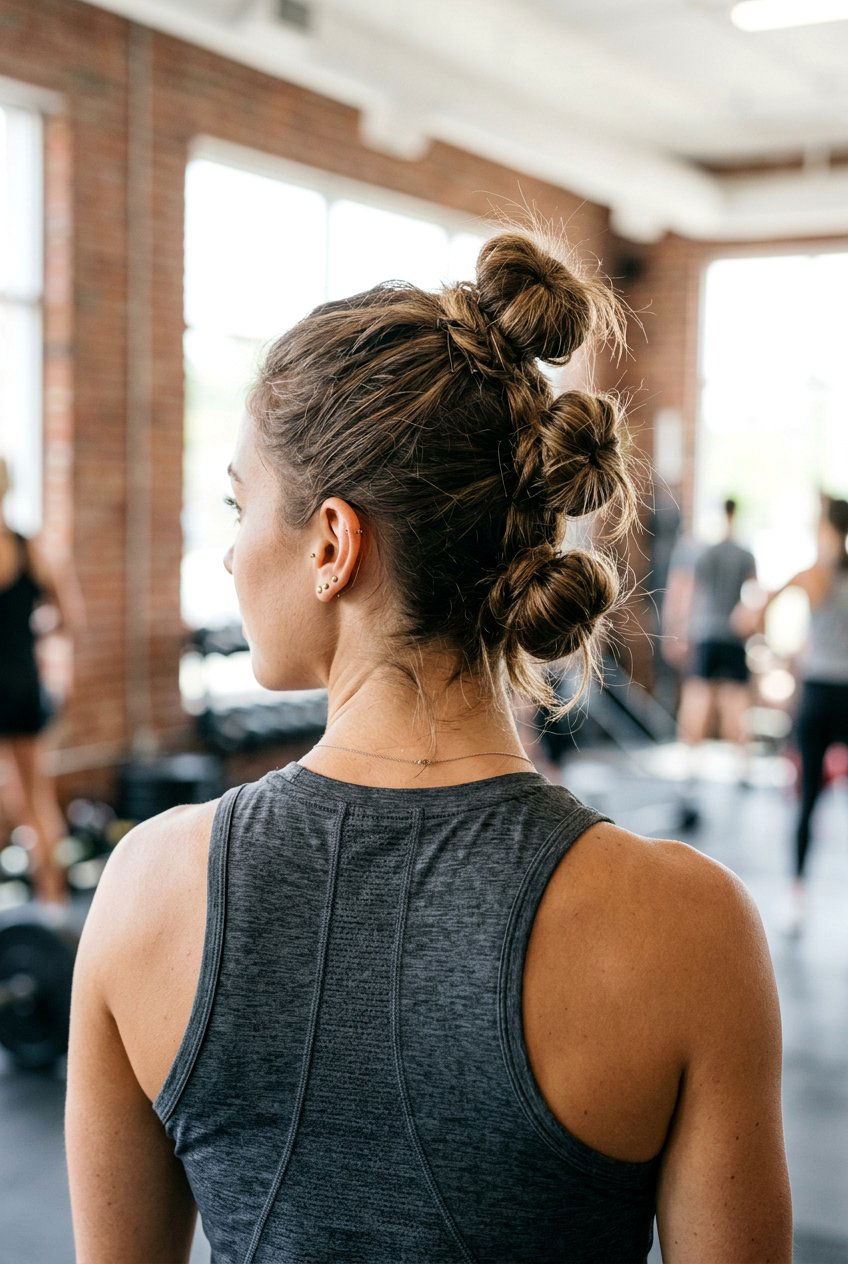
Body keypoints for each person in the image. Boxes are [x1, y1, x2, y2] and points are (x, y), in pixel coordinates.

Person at [66, 234, 791, 1263]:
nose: (229, 550)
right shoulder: (690, 931)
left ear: (330, 543)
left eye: (238, 505)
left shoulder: (145, 893)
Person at [756, 494, 848, 934]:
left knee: (808, 796)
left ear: (827, 528)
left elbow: (754, 616)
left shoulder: (814, 576)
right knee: (810, 795)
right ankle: (795, 894)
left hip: (818, 696)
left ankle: (796, 893)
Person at [0, 457, 84, 904]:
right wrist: (30, 629)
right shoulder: (32, 548)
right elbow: (70, 620)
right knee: (37, 798)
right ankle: (53, 905)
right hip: (23, 686)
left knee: (21, 796)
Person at [662, 498, 758, 787]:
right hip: (724, 635)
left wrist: (676, 630)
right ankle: (734, 768)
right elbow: (754, 596)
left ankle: (697, 767)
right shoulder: (738, 552)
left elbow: (683, 592)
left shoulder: (706, 550)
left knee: (705, 699)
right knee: (728, 701)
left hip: (709, 635)